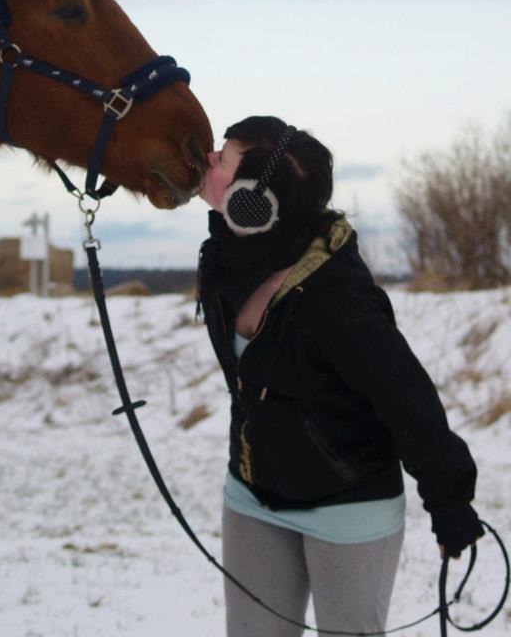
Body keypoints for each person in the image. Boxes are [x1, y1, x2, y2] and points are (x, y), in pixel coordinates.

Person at [195, 116, 482, 637]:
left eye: (224, 157)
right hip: (253, 498)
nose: (209, 159)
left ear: (254, 200)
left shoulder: (338, 299)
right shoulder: (229, 258)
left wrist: (450, 503)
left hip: (349, 512)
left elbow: (406, 398)